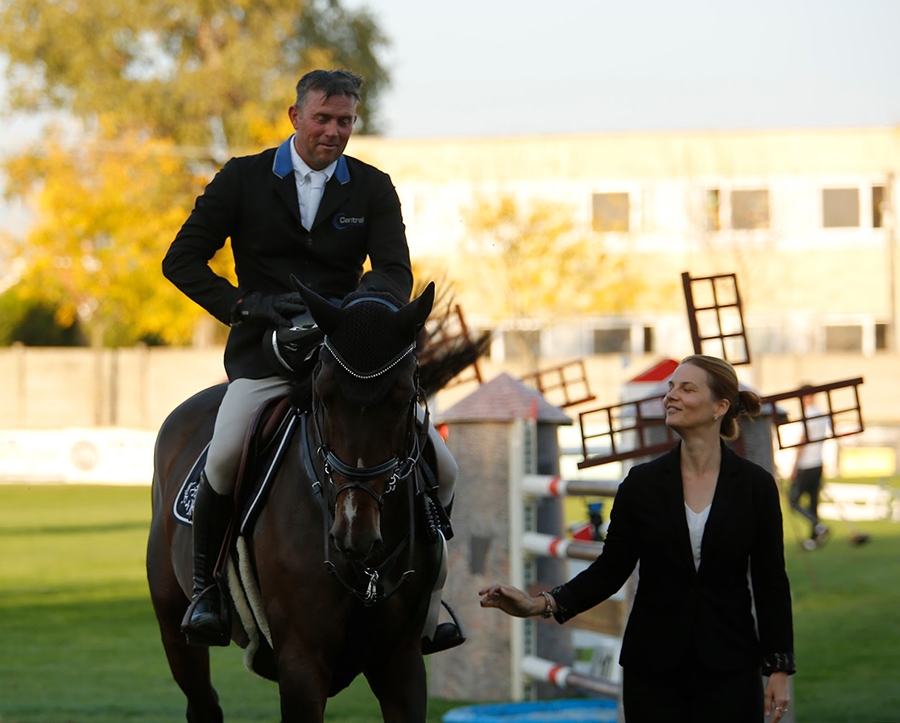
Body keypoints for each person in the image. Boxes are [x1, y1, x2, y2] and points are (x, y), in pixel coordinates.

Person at [163, 69, 459, 649]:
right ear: (295, 116)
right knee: (223, 456)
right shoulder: (241, 178)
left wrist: (358, 311)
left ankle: (431, 599)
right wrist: (247, 306)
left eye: (345, 121)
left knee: (444, 468)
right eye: (322, 118)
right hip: (266, 356)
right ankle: (207, 591)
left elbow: (394, 271)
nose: (334, 131)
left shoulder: (373, 187)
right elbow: (182, 261)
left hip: (350, 362)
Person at [479, 354, 795, 723]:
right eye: (671, 387)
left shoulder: (756, 486)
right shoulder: (641, 484)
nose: (670, 396)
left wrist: (778, 668)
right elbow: (610, 570)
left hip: (731, 668)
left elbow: (771, 581)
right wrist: (539, 604)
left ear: (719, 407)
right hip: (653, 671)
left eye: (687, 389)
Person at [790, 387, 831, 551]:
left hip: (806, 464)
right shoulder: (821, 414)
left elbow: (803, 440)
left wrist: (794, 466)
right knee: (813, 501)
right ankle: (813, 540)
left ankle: (818, 526)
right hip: (817, 462)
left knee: (794, 501)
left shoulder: (807, 414)